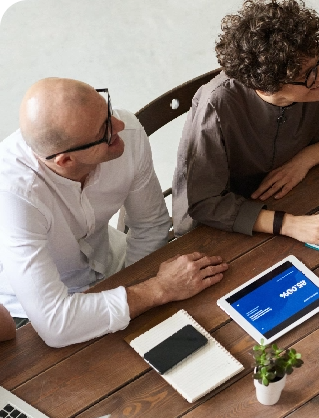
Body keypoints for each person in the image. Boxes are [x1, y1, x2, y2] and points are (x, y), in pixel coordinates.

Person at [0, 78, 228, 349]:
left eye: (107, 110)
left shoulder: (126, 130)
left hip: (113, 264)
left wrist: (139, 291)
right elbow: (55, 324)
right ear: (66, 161)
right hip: (30, 312)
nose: (119, 125)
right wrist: (158, 289)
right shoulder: (14, 195)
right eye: (104, 131)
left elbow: (150, 225)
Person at [172, 0, 319, 248]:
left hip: (298, 194)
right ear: (266, 86)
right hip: (231, 221)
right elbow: (203, 202)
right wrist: (290, 225)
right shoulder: (216, 105)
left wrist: (306, 159)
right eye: (308, 75)